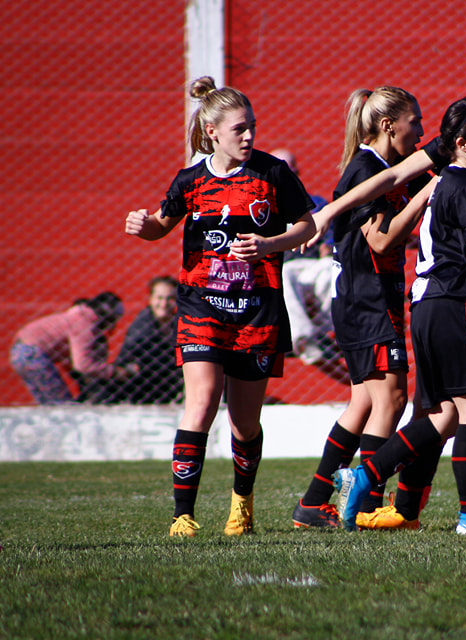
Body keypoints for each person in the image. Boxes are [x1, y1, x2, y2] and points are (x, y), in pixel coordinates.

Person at [124, 76, 317, 537]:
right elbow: (159, 227)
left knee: (245, 421)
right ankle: (182, 516)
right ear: (212, 131)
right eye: (239, 129)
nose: (249, 136)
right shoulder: (191, 181)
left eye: (251, 127)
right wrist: (142, 225)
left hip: (256, 311)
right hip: (201, 308)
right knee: (202, 404)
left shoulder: (272, 174)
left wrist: (270, 243)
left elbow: (307, 227)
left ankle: (241, 505)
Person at [334, 95, 466, 534]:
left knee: (443, 416)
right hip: (457, 305)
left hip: (428, 308)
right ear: (462, 143)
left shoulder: (442, 184)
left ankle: (362, 475)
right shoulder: (464, 185)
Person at [291, 86, 434, 531]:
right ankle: (368, 503)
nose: (422, 130)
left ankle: (314, 503)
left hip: (367, 297)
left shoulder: (387, 168)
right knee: (391, 399)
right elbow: (379, 239)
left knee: (362, 403)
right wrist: (429, 191)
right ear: (390, 125)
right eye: (416, 121)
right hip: (366, 300)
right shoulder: (366, 169)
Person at [271, 149, 342, 371]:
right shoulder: (261, 207)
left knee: (331, 268)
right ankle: (305, 339)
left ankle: (326, 332)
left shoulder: (315, 203)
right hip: (282, 269)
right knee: (284, 274)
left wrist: (327, 252)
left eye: (290, 168)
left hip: (309, 265)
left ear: (297, 172)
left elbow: (327, 244)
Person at [10, 292, 135, 404]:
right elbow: (82, 365)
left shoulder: (76, 317)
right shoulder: (84, 325)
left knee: (49, 404)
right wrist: (115, 372)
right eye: (112, 320)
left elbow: (69, 359)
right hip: (33, 354)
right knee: (63, 405)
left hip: (19, 352)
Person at [82, 276, 182, 403]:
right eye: (159, 298)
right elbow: (141, 362)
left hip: (164, 381)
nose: (164, 304)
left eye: (170, 298)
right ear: (151, 299)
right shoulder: (143, 326)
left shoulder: (177, 324)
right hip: (140, 382)